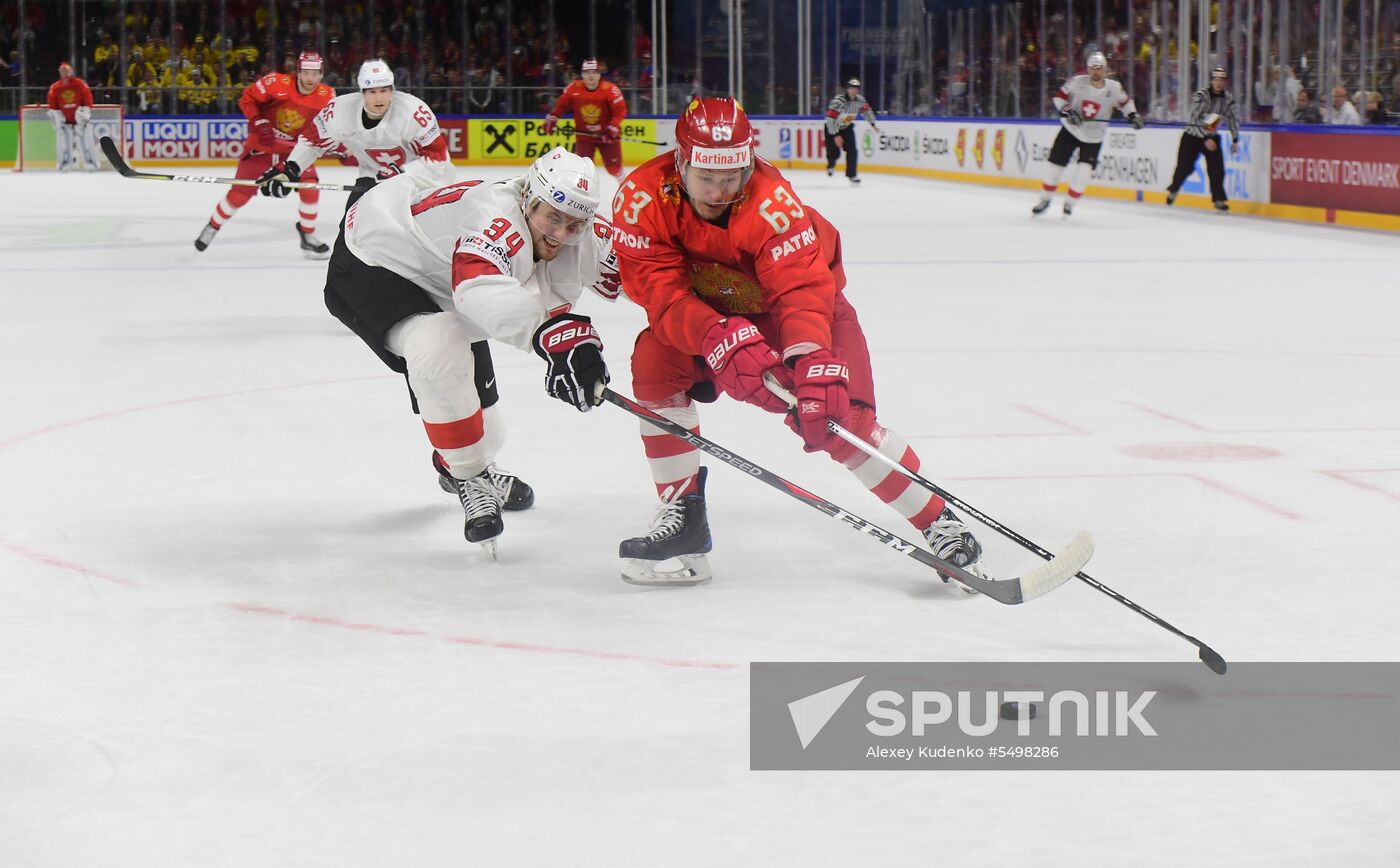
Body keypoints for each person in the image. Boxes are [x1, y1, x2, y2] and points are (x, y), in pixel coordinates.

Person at [608, 97, 987, 587]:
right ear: (680, 162)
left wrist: (809, 355)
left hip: (796, 316)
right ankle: (684, 515)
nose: (722, 191)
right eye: (707, 178)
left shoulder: (772, 201)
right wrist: (714, 334)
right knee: (654, 362)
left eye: (733, 176)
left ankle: (939, 522)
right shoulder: (641, 199)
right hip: (710, 317)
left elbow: (800, 290)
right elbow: (659, 293)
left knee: (835, 417)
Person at [322, 148, 621, 554]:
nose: (562, 234)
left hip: (441, 274)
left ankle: (460, 465)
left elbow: (647, 272)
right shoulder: (495, 222)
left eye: (575, 224)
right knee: (437, 342)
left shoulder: (578, 228)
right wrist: (551, 335)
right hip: (372, 259)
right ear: (527, 199)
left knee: (488, 433)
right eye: (553, 217)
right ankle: (469, 478)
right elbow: (478, 289)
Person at [194, 51, 334, 257]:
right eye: (306, 72)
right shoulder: (275, 82)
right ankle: (213, 226)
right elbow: (247, 99)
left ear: (321, 74)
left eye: (315, 73)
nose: (310, 79)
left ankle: (308, 236)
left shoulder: (327, 96)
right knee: (240, 193)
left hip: (295, 153)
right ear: (298, 72)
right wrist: (258, 121)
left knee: (310, 186)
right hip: (262, 146)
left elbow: (331, 126)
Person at [258, 59, 452, 207]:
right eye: (371, 91)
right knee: (349, 249)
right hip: (372, 179)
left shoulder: (414, 112)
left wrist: (401, 173)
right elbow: (312, 141)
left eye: (384, 90)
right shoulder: (340, 110)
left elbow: (438, 159)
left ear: (393, 90)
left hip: (424, 185)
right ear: (362, 92)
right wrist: (292, 169)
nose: (379, 98)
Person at [1031, 52, 1143, 217]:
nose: (1096, 71)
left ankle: (1069, 203)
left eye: (1099, 68)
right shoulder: (1076, 82)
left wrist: (1133, 116)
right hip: (1070, 131)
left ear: (1105, 70)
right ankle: (1045, 199)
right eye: (1092, 68)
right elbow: (1059, 98)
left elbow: (1126, 103)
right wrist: (1068, 111)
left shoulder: (1114, 88)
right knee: (1054, 168)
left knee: (1084, 173)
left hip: (1094, 137)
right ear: (1088, 69)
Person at [1166, 66, 1240, 212]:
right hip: (1193, 136)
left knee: (1217, 169)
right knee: (1185, 167)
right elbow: (1193, 117)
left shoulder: (1228, 99)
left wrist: (1235, 139)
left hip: (1212, 136)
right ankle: (1174, 189)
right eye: (1216, 79)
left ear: (1225, 82)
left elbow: (1233, 119)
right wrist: (1205, 137)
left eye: (1221, 80)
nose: (1218, 82)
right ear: (1212, 81)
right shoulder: (1201, 95)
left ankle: (1219, 199)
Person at [543, 58, 629, 179]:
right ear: (582, 74)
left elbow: (620, 110)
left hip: (606, 136)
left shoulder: (610, 90)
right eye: (587, 72)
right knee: (583, 170)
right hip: (584, 137)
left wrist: (613, 126)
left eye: (594, 72)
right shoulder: (574, 89)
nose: (591, 76)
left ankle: (624, 185)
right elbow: (561, 105)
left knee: (614, 169)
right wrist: (552, 118)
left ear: (599, 74)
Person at [824, 77, 879, 184]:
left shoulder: (860, 100)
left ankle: (852, 175)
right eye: (852, 88)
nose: (854, 90)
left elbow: (867, 111)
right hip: (832, 127)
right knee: (833, 152)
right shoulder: (838, 101)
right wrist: (835, 135)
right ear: (848, 89)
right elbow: (830, 119)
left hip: (846, 128)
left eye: (856, 88)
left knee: (852, 150)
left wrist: (873, 124)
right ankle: (831, 164)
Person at [46, 62, 99, 172]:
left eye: (66, 71)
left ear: (71, 72)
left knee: (87, 141)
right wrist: (56, 115)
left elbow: (88, 98)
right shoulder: (55, 87)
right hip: (64, 120)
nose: (64, 73)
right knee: (63, 143)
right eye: (62, 71)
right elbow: (52, 105)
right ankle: (64, 163)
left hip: (80, 119)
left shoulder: (80, 84)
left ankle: (91, 162)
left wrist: (86, 111)